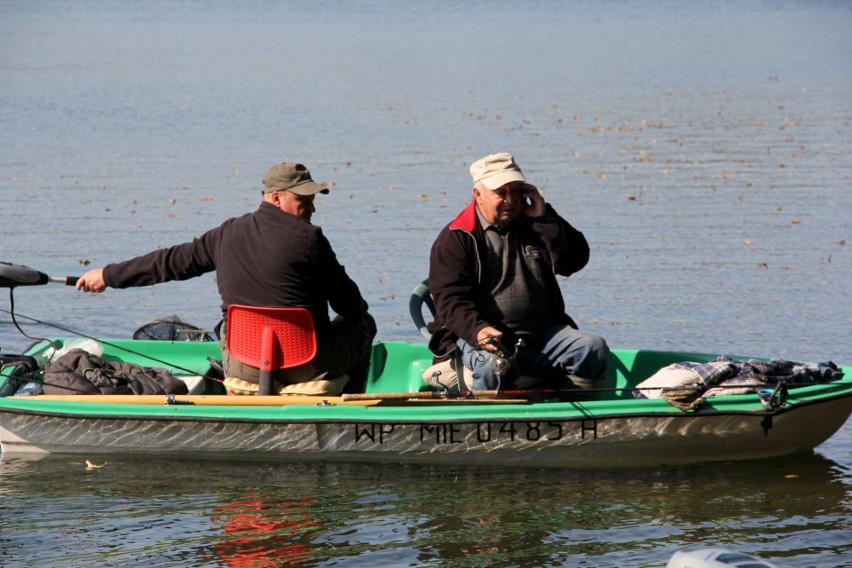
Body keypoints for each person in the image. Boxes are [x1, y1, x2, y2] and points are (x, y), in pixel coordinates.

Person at [76, 161, 376, 394]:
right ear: (276, 198)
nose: (311, 207)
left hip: (244, 364)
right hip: (306, 365)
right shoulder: (310, 239)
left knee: (226, 325)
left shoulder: (226, 233)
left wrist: (108, 274)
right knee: (363, 323)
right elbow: (349, 306)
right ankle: (343, 413)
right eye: (303, 200)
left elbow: (169, 263)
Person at [426, 152, 609, 394]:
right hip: (483, 342)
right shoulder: (455, 239)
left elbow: (573, 262)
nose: (511, 200)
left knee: (592, 348)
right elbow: (450, 302)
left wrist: (545, 218)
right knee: (494, 365)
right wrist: (478, 330)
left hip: (541, 339)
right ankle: (489, 423)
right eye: (501, 193)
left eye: (516, 191)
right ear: (477, 195)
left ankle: (580, 418)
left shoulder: (536, 225)